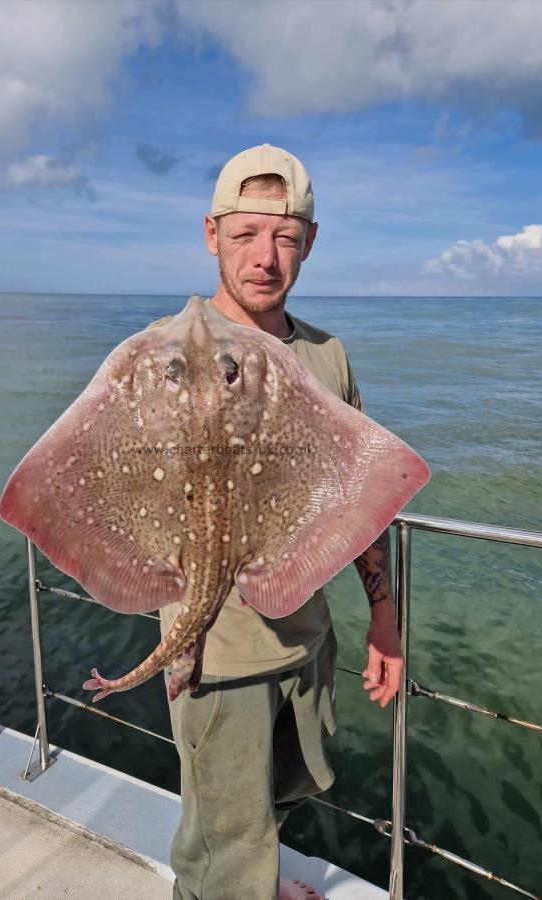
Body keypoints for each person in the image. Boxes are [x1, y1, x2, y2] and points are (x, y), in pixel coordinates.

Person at [146, 144, 404, 900]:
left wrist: (382, 617)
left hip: (309, 636)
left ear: (309, 241)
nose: (264, 258)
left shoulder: (327, 357)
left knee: (293, 785)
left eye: (284, 238)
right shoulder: (165, 353)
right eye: (244, 235)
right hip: (215, 653)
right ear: (210, 234)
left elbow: (359, 499)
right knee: (226, 847)